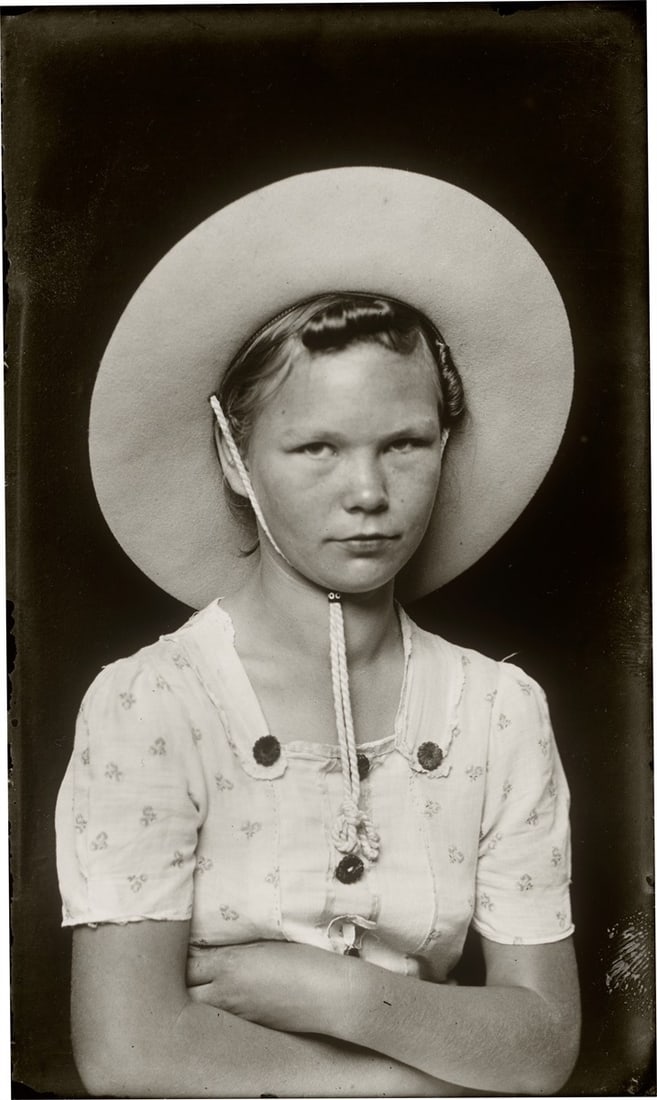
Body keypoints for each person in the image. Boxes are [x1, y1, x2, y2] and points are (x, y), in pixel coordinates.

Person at [56, 168, 580, 1098]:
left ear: (444, 442)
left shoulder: (498, 711)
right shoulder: (153, 704)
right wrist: (440, 1076)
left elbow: (541, 1049)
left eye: (405, 443)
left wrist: (333, 994)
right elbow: (130, 1057)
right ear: (233, 454)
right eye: (316, 448)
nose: (369, 493)